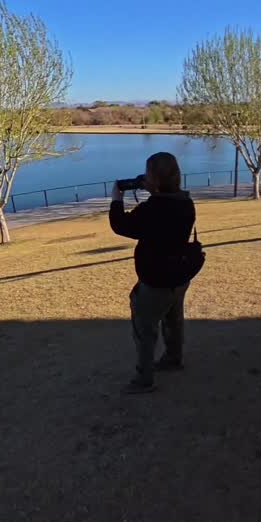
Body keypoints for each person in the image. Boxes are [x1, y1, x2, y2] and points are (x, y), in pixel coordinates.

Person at [109, 152, 196, 394]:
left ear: (155, 179)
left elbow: (121, 225)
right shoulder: (185, 202)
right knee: (173, 319)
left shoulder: (153, 209)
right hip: (179, 275)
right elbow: (164, 217)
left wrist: (117, 199)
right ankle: (173, 357)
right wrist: (155, 192)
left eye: (148, 174)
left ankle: (143, 380)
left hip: (156, 281)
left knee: (145, 330)